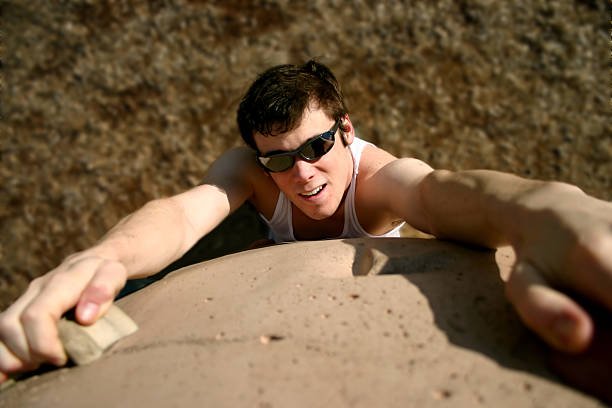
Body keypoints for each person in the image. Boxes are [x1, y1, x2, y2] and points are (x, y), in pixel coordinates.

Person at [0, 60, 611, 387]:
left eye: (318, 146)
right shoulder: (255, 173)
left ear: (346, 129)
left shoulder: (378, 182)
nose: (305, 173)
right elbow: (186, 212)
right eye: (281, 160)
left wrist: (542, 208)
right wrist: (107, 255)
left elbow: (442, 191)